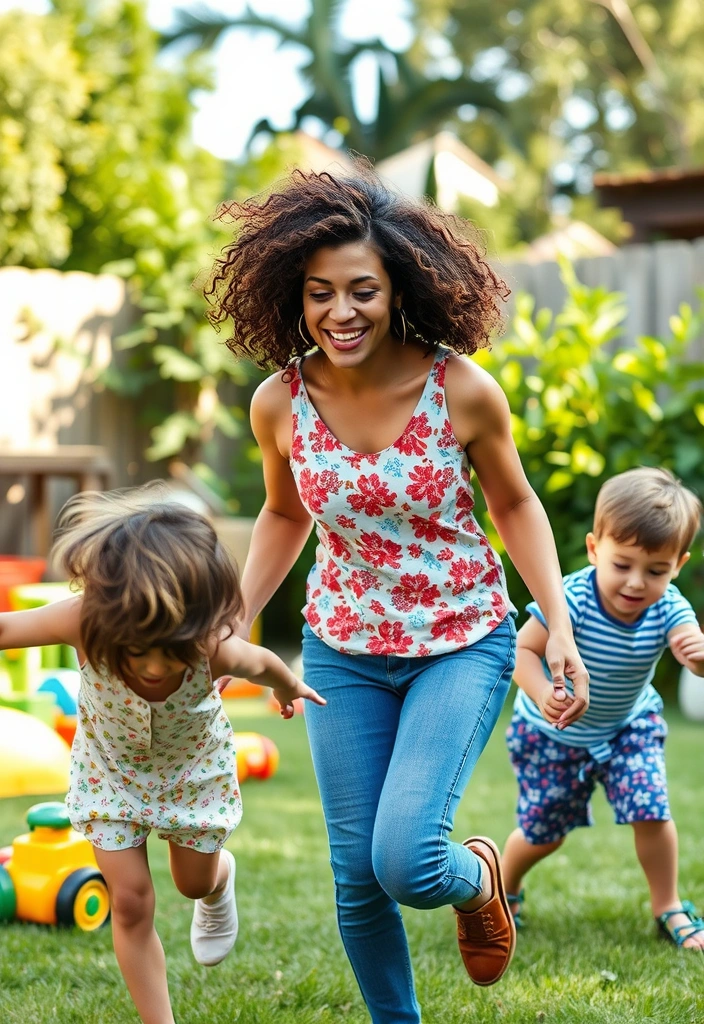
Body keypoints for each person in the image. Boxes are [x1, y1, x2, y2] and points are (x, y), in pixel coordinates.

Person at [204, 166, 589, 1023]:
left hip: (461, 639)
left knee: (407, 859)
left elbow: (515, 504)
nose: (340, 313)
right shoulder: (281, 402)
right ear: (293, 300)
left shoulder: (460, 390)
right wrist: (233, 619)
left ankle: (474, 876)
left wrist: (555, 622)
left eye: (362, 291)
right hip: (341, 647)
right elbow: (281, 513)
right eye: (319, 295)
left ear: (400, 286)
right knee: (355, 876)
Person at [0, 486, 325, 1024]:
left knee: (190, 883)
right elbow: (8, 627)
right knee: (130, 902)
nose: (153, 667)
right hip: (111, 775)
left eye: (170, 653)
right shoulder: (85, 619)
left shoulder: (211, 642)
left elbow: (264, 663)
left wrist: (288, 688)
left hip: (191, 773)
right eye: (136, 651)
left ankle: (219, 881)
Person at [502, 467, 704, 950]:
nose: (637, 583)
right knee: (544, 832)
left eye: (656, 570)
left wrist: (696, 655)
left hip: (627, 728)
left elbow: (687, 640)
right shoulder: (570, 598)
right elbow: (520, 652)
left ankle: (668, 905)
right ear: (595, 550)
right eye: (623, 564)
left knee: (652, 811)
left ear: (678, 564)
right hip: (552, 734)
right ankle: (504, 890)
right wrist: (541, 693)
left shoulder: (669, 607)